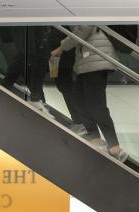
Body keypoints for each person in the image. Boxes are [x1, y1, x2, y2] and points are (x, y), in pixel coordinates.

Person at [52, 25, 128, 161]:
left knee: (96, 105)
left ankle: (114, 146)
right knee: (77, 99)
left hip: (95, 59)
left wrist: (61, 48)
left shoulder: (84, 9)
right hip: (88, 62)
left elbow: (82, 30)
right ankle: (95, 137)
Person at [1, 26, 54, 116]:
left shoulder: (22, 25)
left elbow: (25, 48)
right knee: (34, 85)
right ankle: (41, 104)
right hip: (37, 54)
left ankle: (40, 104)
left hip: (33, 55)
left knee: (32, 83)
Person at [47, 26, 88, 136]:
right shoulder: (55, 28)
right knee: (64, 88)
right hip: (57, 62)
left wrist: (58, 50)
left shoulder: (59, 28)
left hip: (63, 63)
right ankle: (79, 121)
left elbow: (67, 43)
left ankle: (80, 121)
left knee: (67, 89)